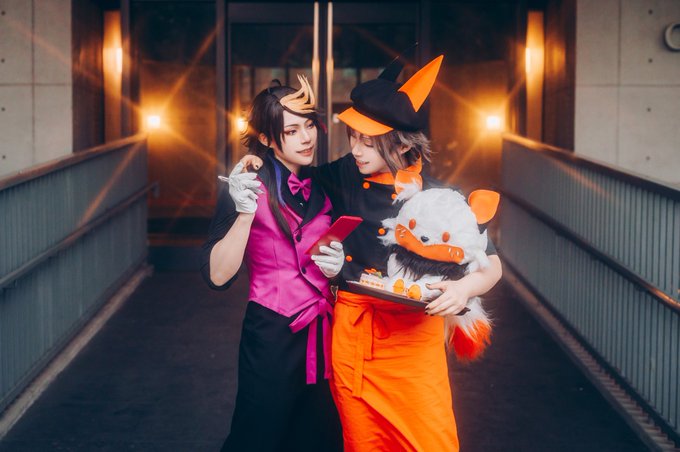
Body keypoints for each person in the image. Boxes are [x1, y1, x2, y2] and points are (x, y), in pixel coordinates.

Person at [242, 55, 502, 451]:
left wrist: (463, 289)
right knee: (362, 442)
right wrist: (256, 163)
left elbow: (491, 265)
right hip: (354, 336)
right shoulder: (341, 176)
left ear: (401, 142)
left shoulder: (439, 197)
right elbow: (289, 173)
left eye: (368, 142)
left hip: (414, 342)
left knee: (431, 441)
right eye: (353, 137)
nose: (356, 150)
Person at [200, 75, 344, 452]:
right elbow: (217, 276)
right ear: (266, 138)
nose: (306, 138)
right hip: (271, 333)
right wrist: (245, 214)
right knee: (259, 436)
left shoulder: (324, 184)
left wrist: (341, 267)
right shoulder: (245, 185)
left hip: (325, 334)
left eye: (309, 126)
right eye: (292, 131)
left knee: (321, 437)